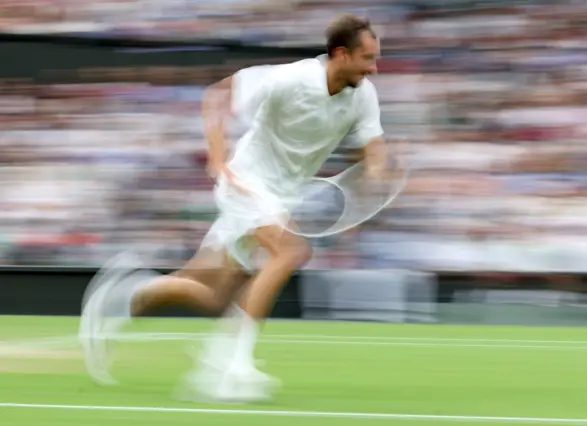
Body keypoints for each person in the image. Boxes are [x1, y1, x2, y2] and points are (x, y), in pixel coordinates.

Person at [79, 13, 391, 403]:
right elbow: (218, 93)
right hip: (246, 181)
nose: (374, 67)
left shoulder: (363, 95)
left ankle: (124, 295)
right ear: (341, 54)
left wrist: (378, 173)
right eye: (367, 58)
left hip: (280, 195)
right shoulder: (291, 78)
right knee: (291, 251)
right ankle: (229, 367)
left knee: (213, 295)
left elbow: (373, 145)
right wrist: (217, 155)